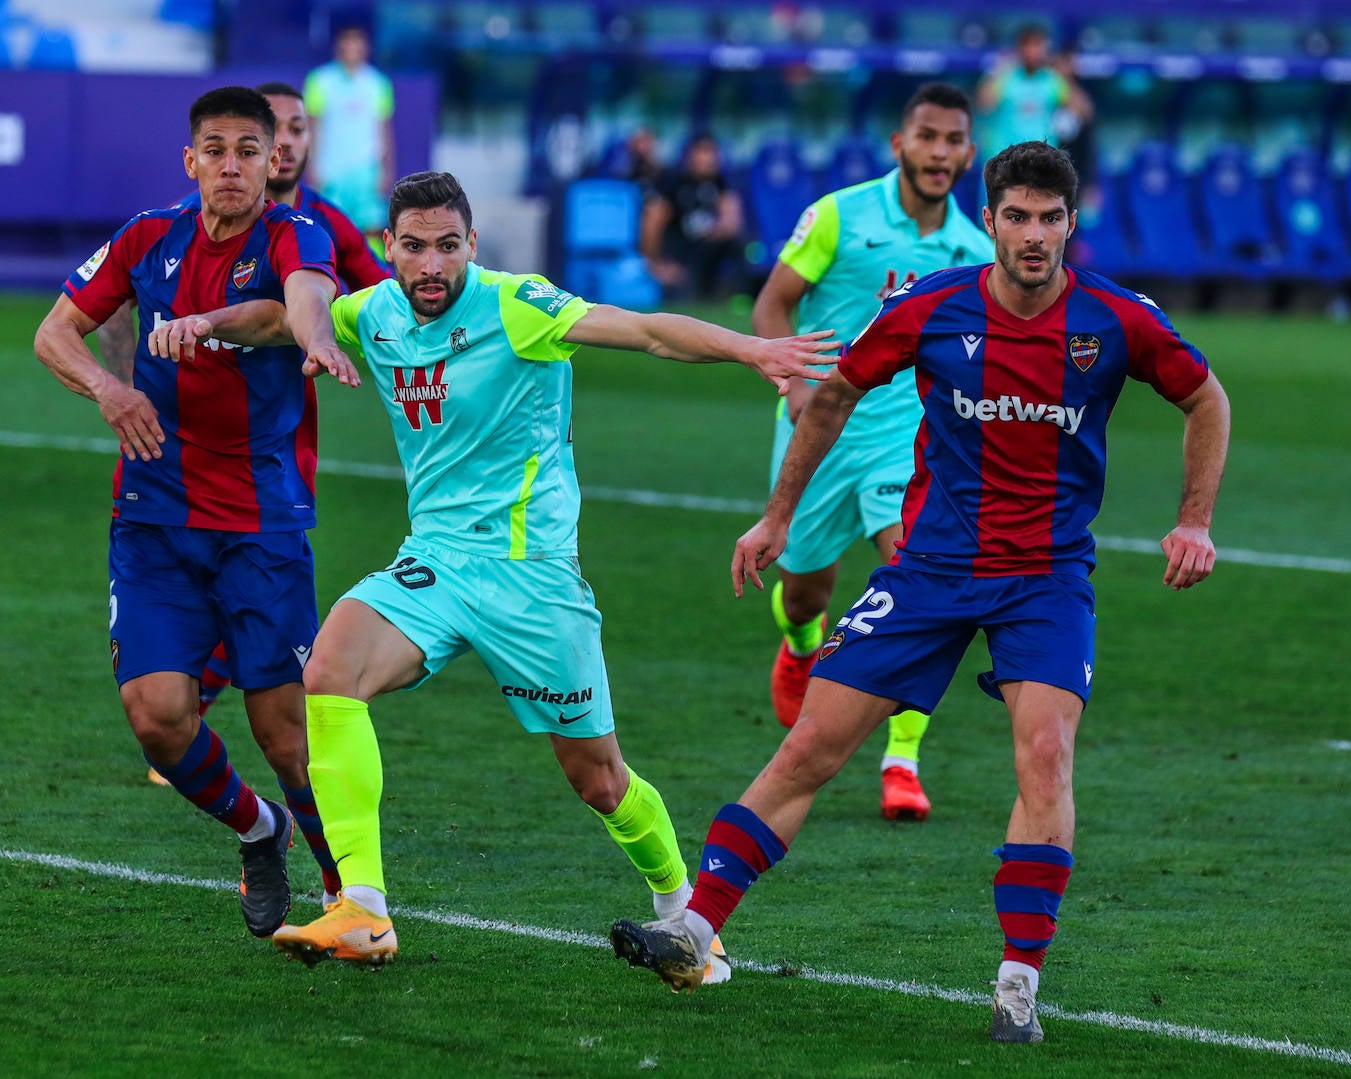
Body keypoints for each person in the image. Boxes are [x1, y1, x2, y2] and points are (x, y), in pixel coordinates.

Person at [609, 142, 1231, 1045]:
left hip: (1046, 581)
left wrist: (1195, 519)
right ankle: (694, 930)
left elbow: (1205, 397)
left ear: (1070, 223)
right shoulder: (932, 309)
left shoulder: (1116, 319)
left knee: (1044, 755)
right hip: (930, 571)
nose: (1032, 235)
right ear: (989, 221)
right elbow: (832, 396)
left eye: (1049, 218)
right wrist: (778, 516)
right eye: (1015, 216)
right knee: (812, 745)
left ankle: (1019, 981)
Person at [145, 170, 839, 969]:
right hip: (435, 564)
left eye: (447, 246)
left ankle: (684, 913)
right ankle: (363, 909)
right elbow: (277, 317)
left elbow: (645, 329)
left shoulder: (519, 305)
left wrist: (752, 348)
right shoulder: (375, 313)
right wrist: (209, 321)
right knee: (331, 667)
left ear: (473, 245)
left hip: (532, 576)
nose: (431, 263)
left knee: (600, 780)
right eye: (414, 247)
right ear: (389, 251)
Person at [33, 86, 361, 940]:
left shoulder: (297, 234)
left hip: (262, 520)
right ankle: (260, 831)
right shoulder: (148, 235)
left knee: (284, 732)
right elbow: (54, 332)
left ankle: (350, 901)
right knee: (158, 716)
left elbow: (286, 306)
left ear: (271, 162)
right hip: (153, 514)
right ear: (191, 161)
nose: (232, 165)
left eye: (248, 150)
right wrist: (110, 389)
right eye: (215, 150)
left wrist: (266, 326)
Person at [95, 81, 392, 782]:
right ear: (196, 157)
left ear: (297, 146)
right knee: (188, 647)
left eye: (289, 131)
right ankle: (195, 705)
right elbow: (99, 310)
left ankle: (333, 863)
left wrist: (328, 328)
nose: (279, 144)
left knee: (269, 646)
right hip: (169, 478)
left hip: (279, 454)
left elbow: (350, 297)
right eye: (264, 132)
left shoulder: (317, 225)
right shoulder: (159, 232)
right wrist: (124, 384)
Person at [754, 81, 994, 822]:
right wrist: (791, 374)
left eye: (953, 140)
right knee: (807, 591)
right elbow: (773, 301)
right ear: (900, 143)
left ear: (967, 153)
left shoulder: (974, 248)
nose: (940, 152)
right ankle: (800, 644)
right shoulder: (838, 215)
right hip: (824, 425)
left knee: (916, 580)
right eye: (927, 136)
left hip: (912, 438)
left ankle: (902, 757)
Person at [304, 23, 395, 247]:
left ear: (365, 49)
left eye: (357, 45)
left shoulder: (379, 84)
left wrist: (386, 170)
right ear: (338, 48)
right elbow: (311, 127)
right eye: (347, 45)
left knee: (372, 230)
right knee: (328, 231)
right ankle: (331, 280)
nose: (352, 50)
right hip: (330, 171)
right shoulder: (318, 81)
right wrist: (311, 166)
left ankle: (375, 278)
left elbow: (384, 130)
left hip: (367, 172)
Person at [640, 133, 747, 301]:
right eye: (702, 152)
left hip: (708, 247)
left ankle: (740, 299)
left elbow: (732, 220)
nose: (707, 159)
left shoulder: (720, 182)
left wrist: (722, 227)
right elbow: (653, 222)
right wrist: (655, 263)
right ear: (690, 155)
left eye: (711, 152)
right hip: (680, 252)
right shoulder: (673, 182)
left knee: (740, 246)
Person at [975, 24, 1094, 160]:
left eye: (1037, 46)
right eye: (1027, 45)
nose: (1032, 52)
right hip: (1003, 158)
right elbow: (983, 104)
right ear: (1019, 48)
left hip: (1040, 159)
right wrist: (997, 70)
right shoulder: (1005, 76)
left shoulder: (1051, 79)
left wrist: (1066, 77)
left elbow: (1084, 110)